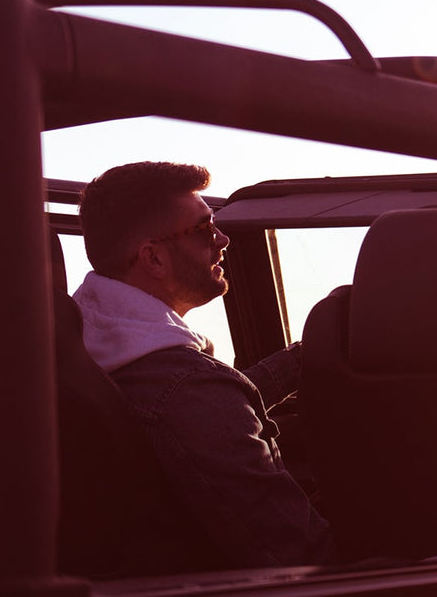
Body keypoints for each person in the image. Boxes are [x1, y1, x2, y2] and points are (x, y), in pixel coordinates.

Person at [73, 160, 335, 569]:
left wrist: (300, 360)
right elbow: (300, 554)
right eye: (203, 229)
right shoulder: (186, 389)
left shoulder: (91, 340)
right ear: (153, 259)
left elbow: (202, 406)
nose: (223, 238)